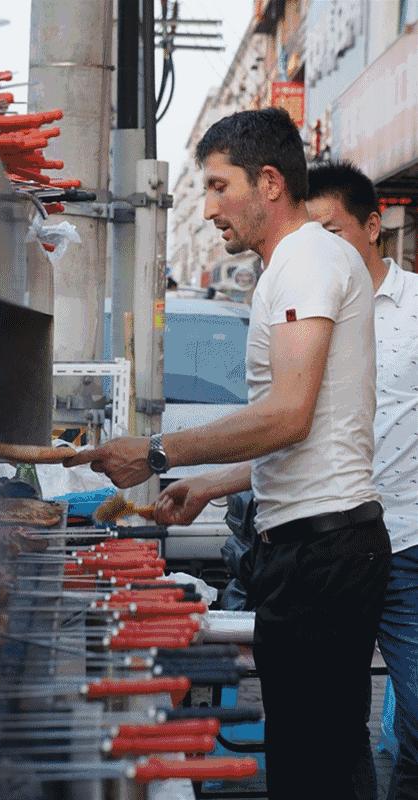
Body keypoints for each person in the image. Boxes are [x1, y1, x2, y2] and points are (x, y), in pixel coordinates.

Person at [67, 108, 391, 800]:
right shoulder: (307, 262)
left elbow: (288, 413)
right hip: (327, 542)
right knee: (330, 754)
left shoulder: (303, 259)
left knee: (310, 767)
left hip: (322, 554)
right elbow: (316, 431)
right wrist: (212, 483)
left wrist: (156, 453)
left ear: (269, 182)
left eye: (219, 187)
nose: (208, 209)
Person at [307, 160, 418, 800]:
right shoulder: (304, 316)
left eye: (335, 232)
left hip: (407, 546)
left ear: (374, 225)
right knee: (330, 726)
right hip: (326, 548)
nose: (322, 253)